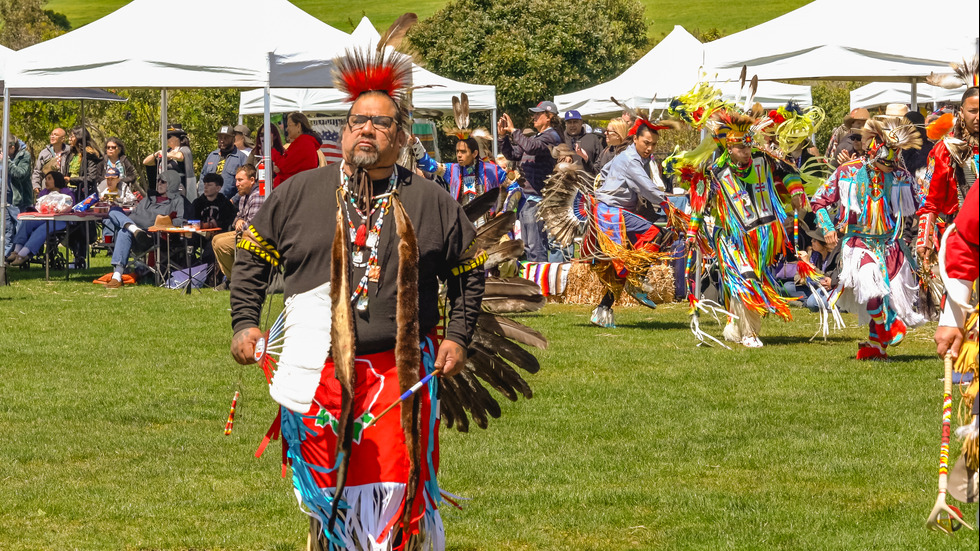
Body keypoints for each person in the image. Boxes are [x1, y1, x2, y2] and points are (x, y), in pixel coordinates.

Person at [229, 46, 483, 549]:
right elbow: (251, 259)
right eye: (356, 121)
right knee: (329, 491)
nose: (366, 130)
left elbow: (470, 272)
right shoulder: (299, 192)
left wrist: (458, 335)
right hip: (314, 366)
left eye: (380, 123)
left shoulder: (431, 200)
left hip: (401, 372)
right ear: (343, 132)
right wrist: (245, 322)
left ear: (402, 136)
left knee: (396, 487)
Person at [812, 116, 926, 360]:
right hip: (859, 243)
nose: (892, 164)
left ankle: (876, 348)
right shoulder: (848, 172)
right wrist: (828, 227)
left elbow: (925, 206)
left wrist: (930, 233)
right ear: (874, 150)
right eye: (888, 159)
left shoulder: (901, 176)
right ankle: (889, 324)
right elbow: (819, 200)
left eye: (896, 157)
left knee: (888, 296)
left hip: (892, 245)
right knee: (871, 288)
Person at [589, 119, 674, 326]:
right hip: (612, 213)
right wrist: (667, 204)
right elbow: (646, 187)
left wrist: (606, 187)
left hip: (612, 211)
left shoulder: (630, 157)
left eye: (653, 144)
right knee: (656, 234)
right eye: (646, 142)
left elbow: (605, 172)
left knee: (622, 265)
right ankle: (637, 282)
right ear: (635, 139)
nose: (650, 148)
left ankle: (602, 311)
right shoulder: (630, 160)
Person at [916, 86, 979, 260]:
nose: (978, 117)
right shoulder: (946, 149)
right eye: (973, 111)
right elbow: (930, 200)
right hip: (962, 237)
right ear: (962, 111)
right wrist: (924, 238)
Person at [100, 171, 190, 289]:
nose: (159, 184)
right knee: (114, 211)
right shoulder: (149, 198)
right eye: (158, 181)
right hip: (135, 234)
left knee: (123, 231)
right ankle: (132, 228)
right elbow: (134, 214)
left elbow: (182, 220)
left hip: (152, 237)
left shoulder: (178, 200)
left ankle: (117, 276)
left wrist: (165, 221)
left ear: (172, 183)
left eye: (163, 182)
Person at [498, 100, 563, 261]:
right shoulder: (536, 137)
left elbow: (531, 147)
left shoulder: (551, 136)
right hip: (527, 198)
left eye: (538, 114)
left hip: (538, 199)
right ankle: (533, 280)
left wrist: (513, 130)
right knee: (527, 246)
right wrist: (503, 137)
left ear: (549, 117)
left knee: (536, 247)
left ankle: (540, 282)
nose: (534, 117)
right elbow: (512, 154)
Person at [6, 171, 75, 267]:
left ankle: (24, 254)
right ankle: (16, 251)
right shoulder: (44, 193)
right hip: (43, 218)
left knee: (43, 229)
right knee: (27, 223)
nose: (46, 181)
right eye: (45, 179)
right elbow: (38, 208)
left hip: (60, 220)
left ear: (57, 180)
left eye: (49, 179)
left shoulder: (67, 193)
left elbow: (69, 207)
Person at [414, 135, 507, 206]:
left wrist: (505, 211)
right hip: (462, 222)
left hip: (486, 224)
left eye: (463, 151)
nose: (458, 155)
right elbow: (429, 165)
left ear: (474, 153)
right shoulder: (452, 170)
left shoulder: (492, 170)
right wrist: (416, 143)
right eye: (457, 151)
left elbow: (514, 186)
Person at [211, 165, 264, 289]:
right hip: (244, 234)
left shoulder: (257, 195)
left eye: (240, 180)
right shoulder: (244, 196)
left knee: (221, 243)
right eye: (236, 180)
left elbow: (254, 225)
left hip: (256, 237)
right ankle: (234, 279)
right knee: (215, 240)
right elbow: (237, 218)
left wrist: (241, 223)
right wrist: (239, 220)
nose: (236, 184)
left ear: (252, 180)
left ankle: (236, 280)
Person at [144, 125, 196, 199]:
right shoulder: (166, 151)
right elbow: (146, 162)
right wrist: (156, 154)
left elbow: (179, 157)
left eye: (169, 137)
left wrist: (167, 155)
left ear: (177, 138)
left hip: (179, 187)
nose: (166, 139)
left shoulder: (184, 149)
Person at [272, 112, 322, 187]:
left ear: (298, 126)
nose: (287, 128)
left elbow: (285, 166)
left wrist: (273, 151)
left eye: (289, 125)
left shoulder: (303, 143)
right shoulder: (303, 142)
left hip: (297, 190)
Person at [200, 125, 249, 199]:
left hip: (229, 205)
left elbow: (245, 184)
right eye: (220, 137)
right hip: (208, 203)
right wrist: (202, 196)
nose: (222, 140)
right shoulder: (212, 156)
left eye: (226, 138)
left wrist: (233, 201)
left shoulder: (241, 158)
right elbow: (202, 178)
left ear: (233, 139)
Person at [3, 136, 32, 256]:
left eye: (5, 149)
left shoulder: (24, 155)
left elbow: (20, 174)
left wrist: (6, 162)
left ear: (12, 147)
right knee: (7, 230)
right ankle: (5, 257)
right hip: (5, 199)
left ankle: (21, 255)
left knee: (20, 229)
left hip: (19, 200)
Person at [65, 126, 103, 198]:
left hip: (83, 192)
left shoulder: (89, 155)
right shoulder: (71, 155)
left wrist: (71, 180)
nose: (69, 139)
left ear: (79, 137)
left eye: (72, 136)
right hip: (69, 191)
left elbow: (91, 177)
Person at [563, 110, 604, 174]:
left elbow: (601, 162)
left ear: (581, 122)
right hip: (564, 182)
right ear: (565, 124)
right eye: (569, 122)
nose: (572, 125)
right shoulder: (560, 139)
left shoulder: (592, 139)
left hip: (587, 181)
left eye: (575, 122)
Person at [31, 128, 70, 193]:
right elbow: (37, 171)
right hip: (48, 190)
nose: (52, 136)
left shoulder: (69, 151)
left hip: (65, 189)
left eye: (55, 135)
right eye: (51, 134)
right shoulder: (44, 153)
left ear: (63, 139)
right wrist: (36, 185)